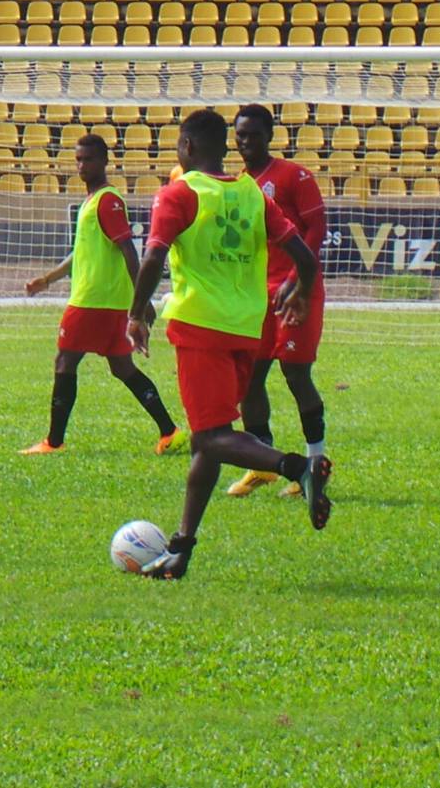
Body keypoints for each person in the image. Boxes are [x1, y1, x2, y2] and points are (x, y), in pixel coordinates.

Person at [126, 109, 322, 580]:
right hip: (245, 329)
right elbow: (304, 255)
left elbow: (154, 254)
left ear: (188, 147)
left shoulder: (180, 193)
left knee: (213, 436)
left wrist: (136, 315)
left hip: (201, 328)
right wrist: (300, 292)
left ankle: (298, 467)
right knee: (206, 443)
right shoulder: (251, 194)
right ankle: (180, 549)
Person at [20, 134, 185, 456]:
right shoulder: (92, 200)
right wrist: (48, 279)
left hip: (94, 301)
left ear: (105, 162)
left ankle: (53, 442)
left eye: (89, 159)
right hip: (108, 302)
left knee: (65, 361)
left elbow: (129, 250)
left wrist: (144, 300)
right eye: (79, 159)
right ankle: (170, 431)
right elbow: (81, 252)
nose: (83, 166)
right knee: (122, 368)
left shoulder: (108, 200)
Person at [226, 104, 333, 528]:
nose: (245, 142)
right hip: (255, 296)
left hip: (297, 291)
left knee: (295, 375)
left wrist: (296, 280)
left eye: (253, 134)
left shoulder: (293, 176)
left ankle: (316, 460)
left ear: (269, 136)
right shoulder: (237, 186)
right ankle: (263, 460)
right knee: (250, 376)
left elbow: (316, 229)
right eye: (240, 135)